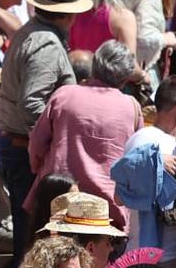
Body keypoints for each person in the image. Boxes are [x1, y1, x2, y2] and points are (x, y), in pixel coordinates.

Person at [0, 0, 90, 261]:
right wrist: (47, 143)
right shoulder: (46, 44)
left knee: (30, 236)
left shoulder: (34, 32)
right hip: (25, 151)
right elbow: (31, 103)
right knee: (33, 239)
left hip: (20, 146)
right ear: (69, 15)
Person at [29, 40, 141, 228]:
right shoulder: (132, 107)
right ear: (125, 78)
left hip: (59, 200)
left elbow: (36, 145)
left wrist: (38, 170)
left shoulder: (64, 95)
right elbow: (135, 159)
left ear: (94, 66)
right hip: (108, 209)